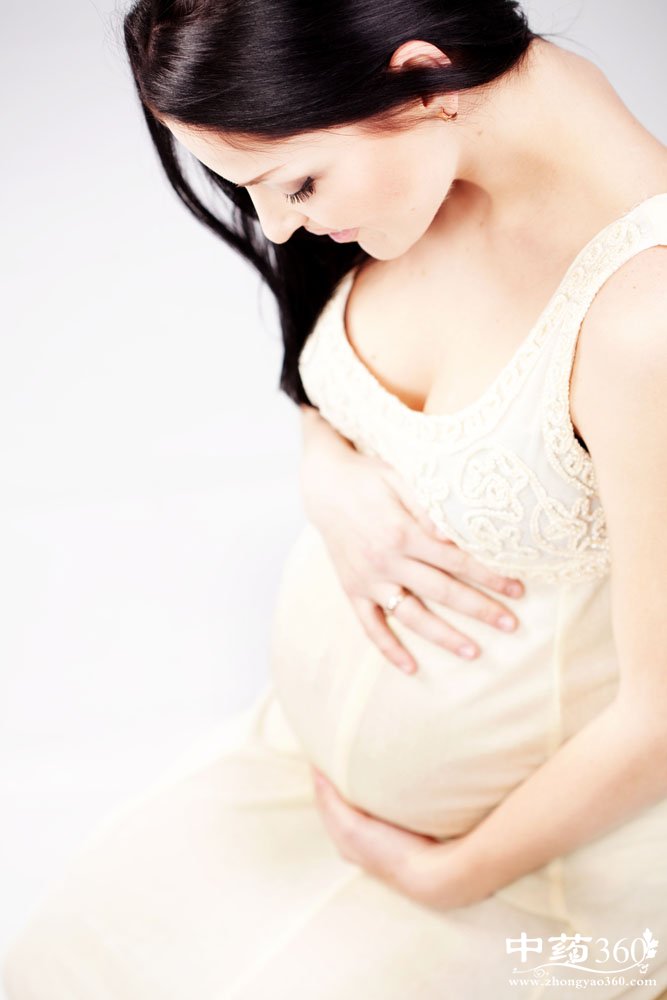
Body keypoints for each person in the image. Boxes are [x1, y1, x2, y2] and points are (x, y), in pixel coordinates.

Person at [3, 1, 667, 997]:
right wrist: (327, 468)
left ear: (420, 75)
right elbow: (341, 388)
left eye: (297, 183)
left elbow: (663, 715)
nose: (276, 226)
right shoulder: (428, 158)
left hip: (523, 882)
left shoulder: (645, 319)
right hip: (282, 769)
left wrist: (452, 873)